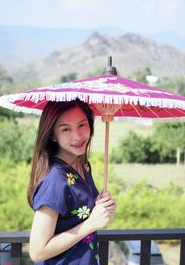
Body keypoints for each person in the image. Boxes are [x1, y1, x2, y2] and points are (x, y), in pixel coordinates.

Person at [27, 98, 116, 265]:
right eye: (66, 129)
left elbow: (75, 211)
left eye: (82, 125)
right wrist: (91, 224)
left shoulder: (83, 166)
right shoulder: (55, 179)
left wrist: (101, 206)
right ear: (52, 134)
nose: (78, 136)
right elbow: (37, 251)